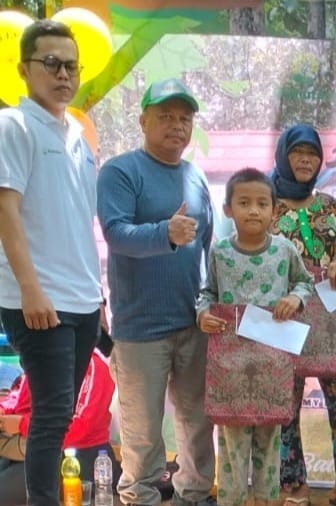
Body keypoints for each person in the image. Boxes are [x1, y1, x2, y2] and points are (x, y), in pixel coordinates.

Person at [97, 78, 216, 506]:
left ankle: (194, 496)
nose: (177, 125)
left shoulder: (195, 177)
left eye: (185, 118)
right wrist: (165, 232)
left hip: (193, 324)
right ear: (143, 120)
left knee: (198, 423)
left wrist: (209, 304)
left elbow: (208, 250)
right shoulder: (120, 171)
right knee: (143, 433)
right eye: (165, 116)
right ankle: (140, 497)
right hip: (139, 329)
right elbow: (116, 233)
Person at [0, 19, 104, 503]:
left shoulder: (78, 136)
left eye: (71, 66)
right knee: (53, 412)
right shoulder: (12, 126)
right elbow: (6, 212)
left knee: (62, 415)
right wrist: (30, 289)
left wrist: (97, 295)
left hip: (82, 299)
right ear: (24, 69)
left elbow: (78, 221)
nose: (63, 74)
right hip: (39, 299)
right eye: (51, 63)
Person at [197, 168, 314, 506]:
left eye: (262, 204)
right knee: (232, 447)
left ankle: (266, 500)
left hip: (272, 367)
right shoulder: (220, 252)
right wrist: (203, 314)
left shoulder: (284, 250)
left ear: (274, 211)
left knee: (269, 444)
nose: (253, 210)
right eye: (244, 202)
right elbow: (207, 292)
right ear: (227, 209)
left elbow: (304, 282)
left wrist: (296, 298)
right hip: (230, 369)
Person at [268, 124, 336, 506]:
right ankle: (294, 485)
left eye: (312, 153)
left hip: (333, 319)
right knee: (285, 404)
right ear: (284, 156)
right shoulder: (266, 203)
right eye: (297, 152)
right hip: (285, 317)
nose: (305, 159)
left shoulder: (329, 205)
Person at [0, 348, 121, 506]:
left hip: (78, 458)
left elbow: (80, 426)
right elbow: (20, 403)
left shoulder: (92, 365)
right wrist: (4, 412)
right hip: (32, 449)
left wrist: (21, 424)